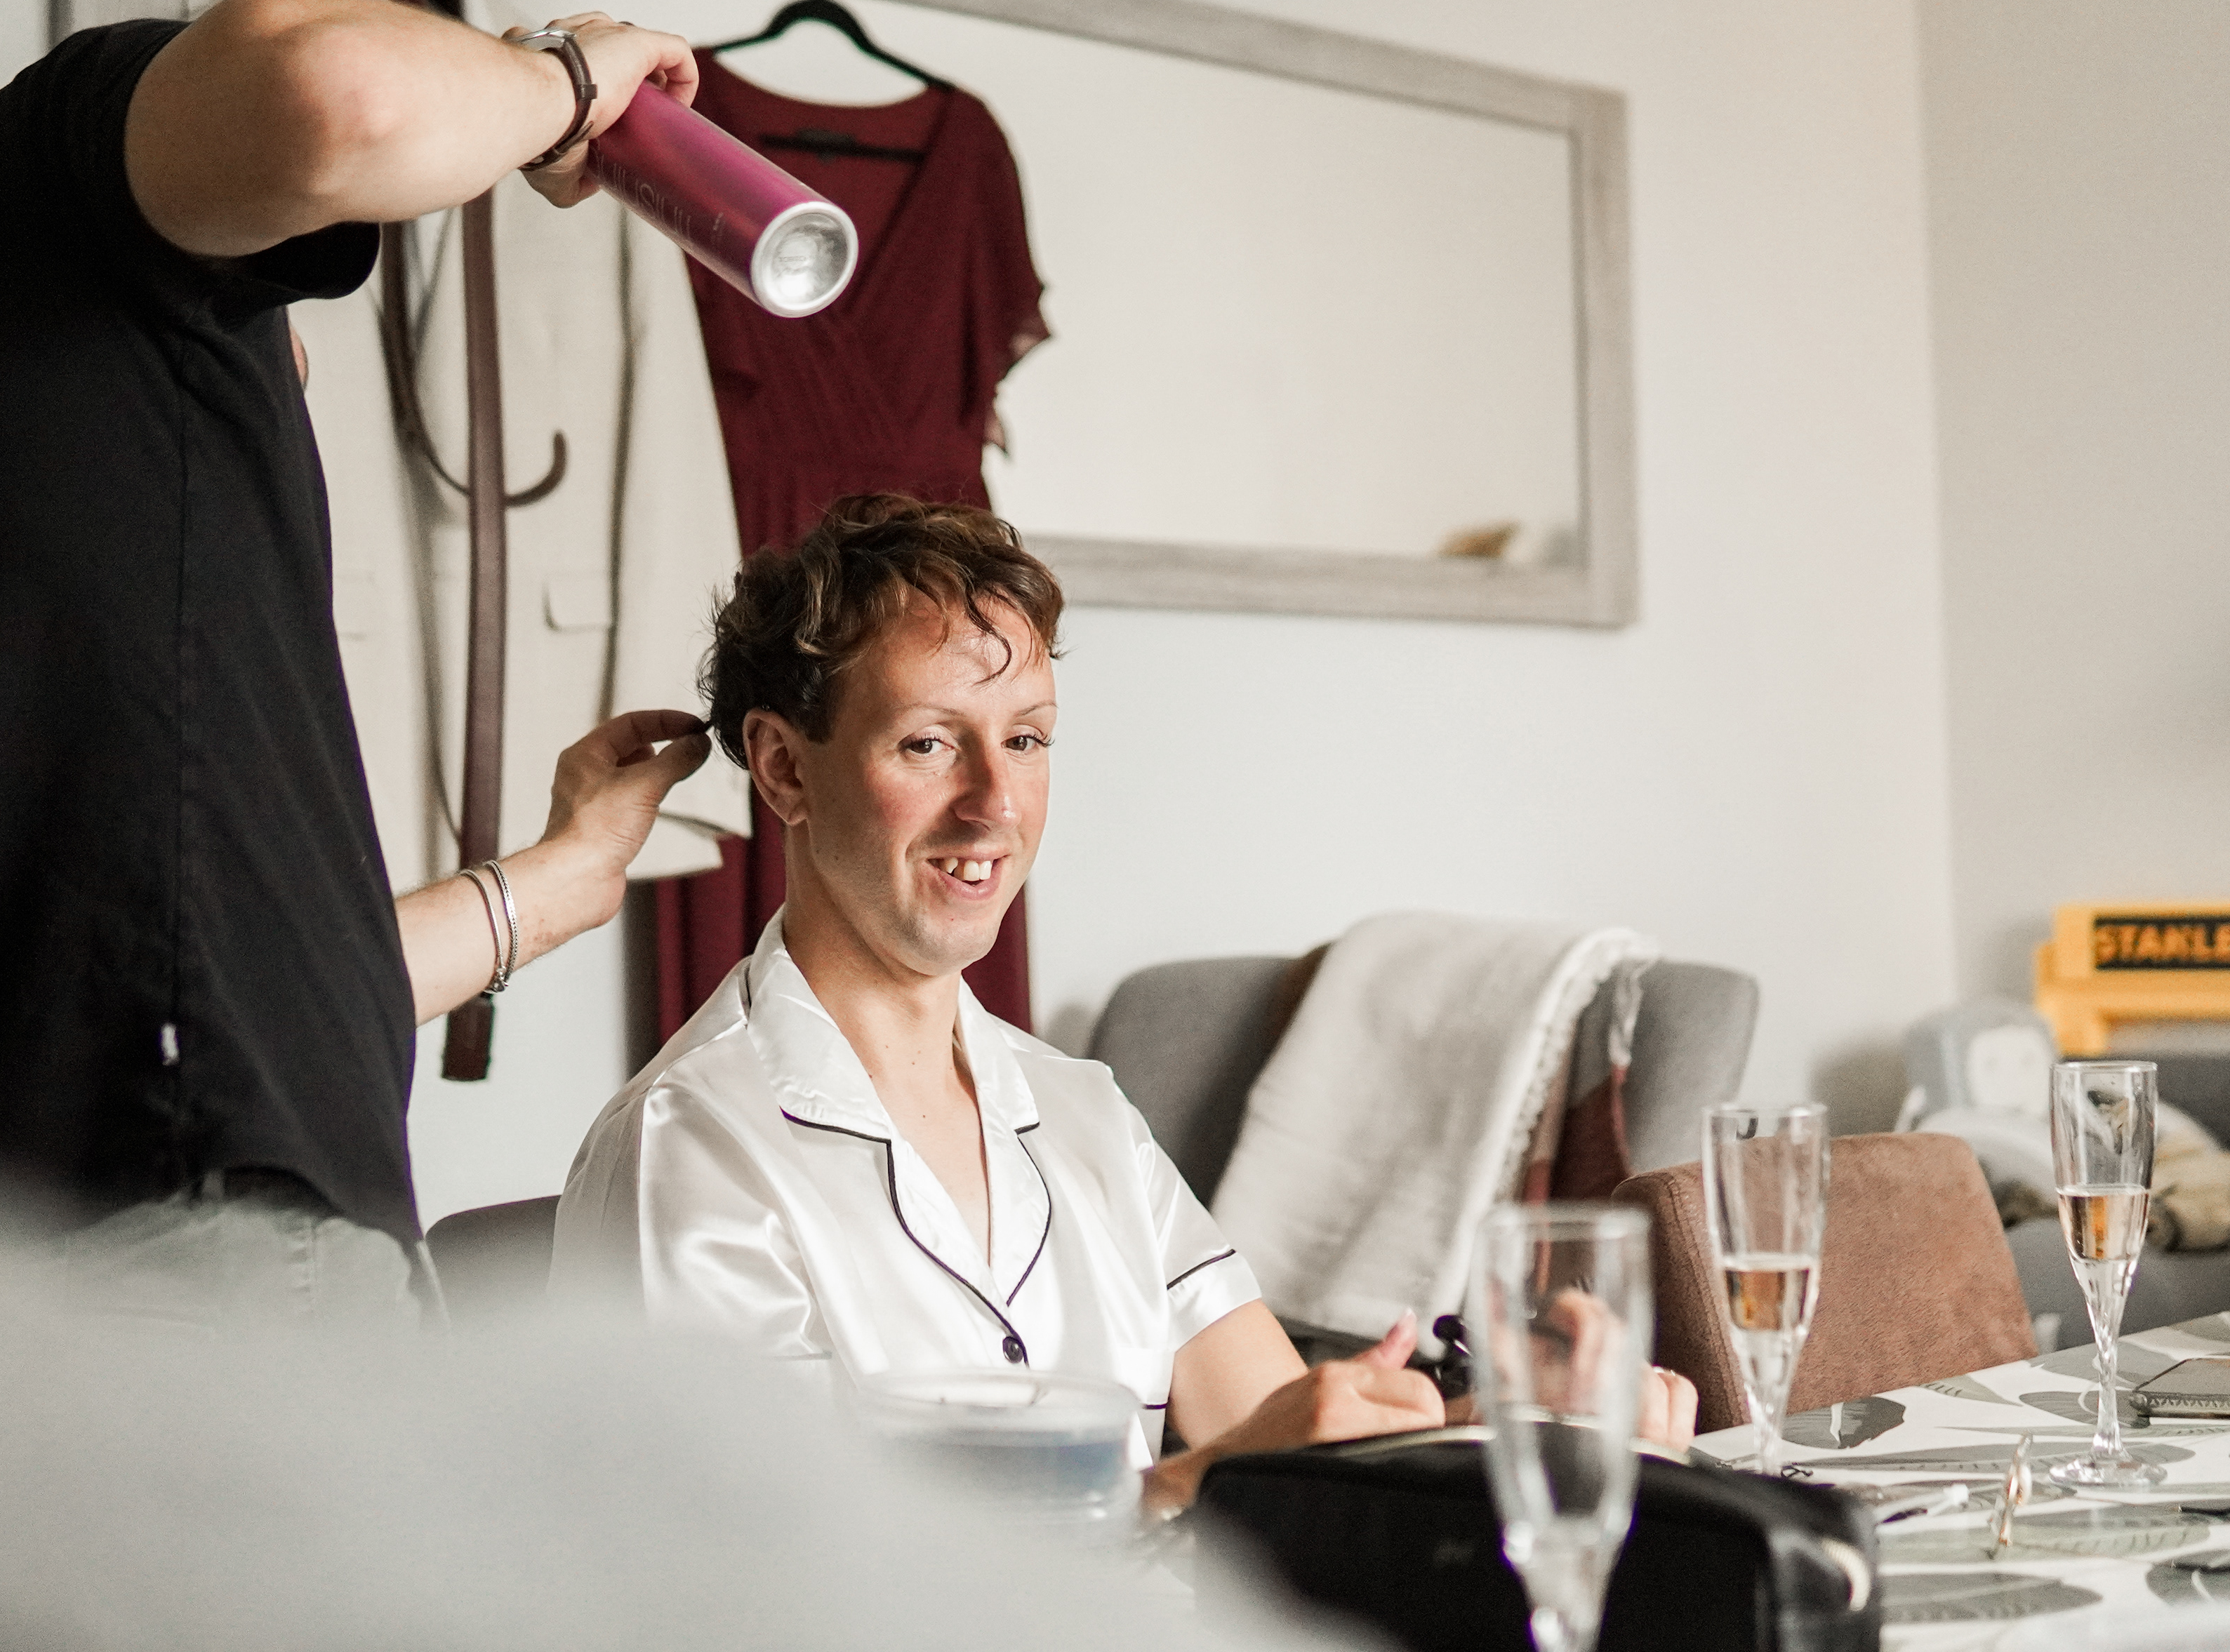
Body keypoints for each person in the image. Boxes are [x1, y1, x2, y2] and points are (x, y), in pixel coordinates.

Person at [0, 0, 713, 1323]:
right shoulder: (54, 169)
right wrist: (561, 88)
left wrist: (558, 884)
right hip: (182, 1263)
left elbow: (183, 990)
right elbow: (337, 100)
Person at [553, 496, 1696, 1510]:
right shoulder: (691, 1146)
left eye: (1026, 740)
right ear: (784, 767)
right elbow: (760, 1592)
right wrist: (1199, 1484)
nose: (995, 804)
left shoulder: (1084, 1113)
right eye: (929, 743)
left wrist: (1519, 1424)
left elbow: (1300, 1438)